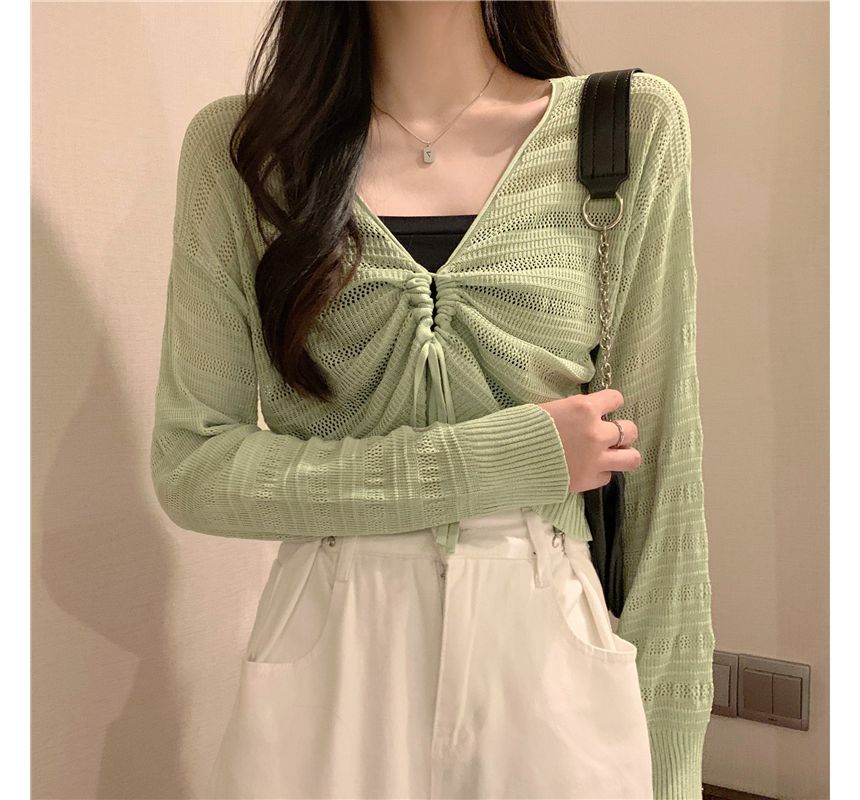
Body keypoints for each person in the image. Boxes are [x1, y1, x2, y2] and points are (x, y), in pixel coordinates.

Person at [149, 2, 715, 798]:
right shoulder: (244, 152)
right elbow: (193, 466)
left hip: (546, 646)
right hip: (329, 650)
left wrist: (673, 762)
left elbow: (665, 476)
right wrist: (498, 462)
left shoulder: (625, 130)